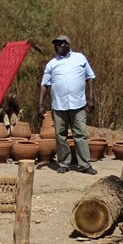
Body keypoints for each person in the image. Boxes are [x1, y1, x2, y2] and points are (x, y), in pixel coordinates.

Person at [38, 35, 97, 175]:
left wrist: (91, 98)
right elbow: (44, 85)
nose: (57, 47)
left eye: (60, 44)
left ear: (68, 45)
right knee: (60, 135)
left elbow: (90, 78)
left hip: (78, 104)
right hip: (59, 106)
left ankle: (85, 164)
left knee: (80, 134)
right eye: (55, 45)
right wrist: (40, 104)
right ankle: (64, 163)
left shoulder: (79, 58)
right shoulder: (52, 64)